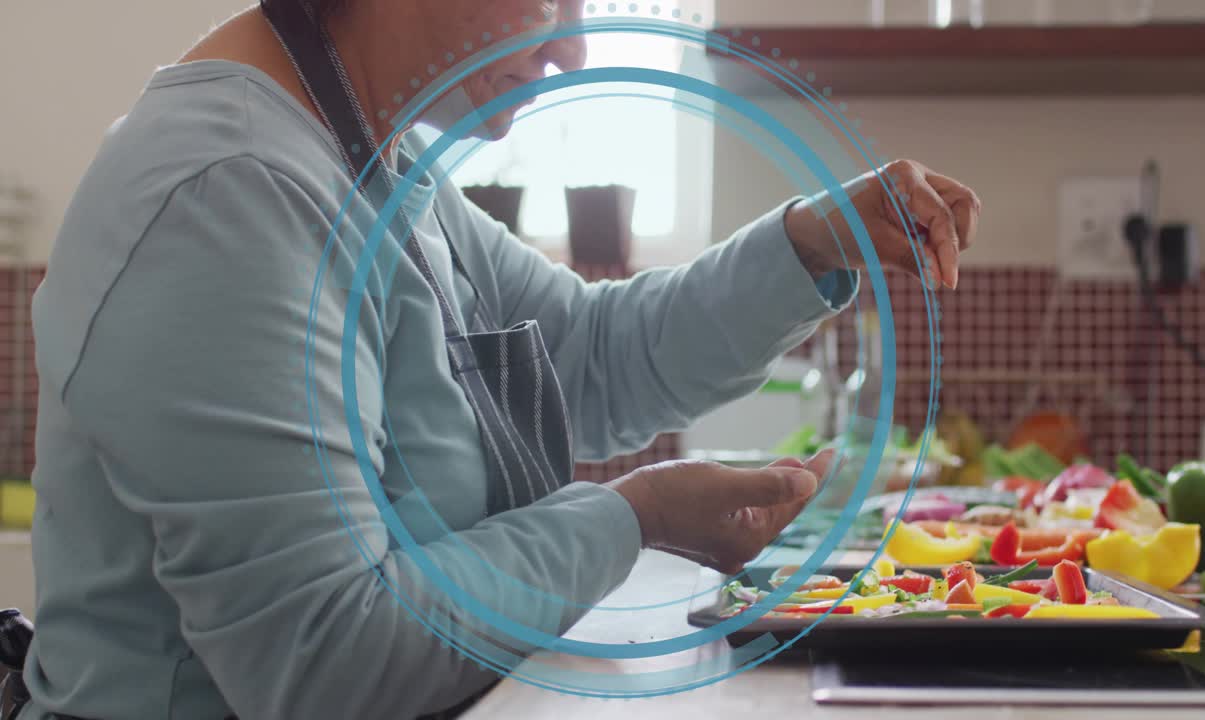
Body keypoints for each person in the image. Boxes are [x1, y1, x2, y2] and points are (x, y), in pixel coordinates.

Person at [20, 1, 979, 718]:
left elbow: (596, 360)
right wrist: (631, 517)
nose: (574, 48)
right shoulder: (228, 192)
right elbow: (326, 660)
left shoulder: (377, 167)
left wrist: (817, 239)